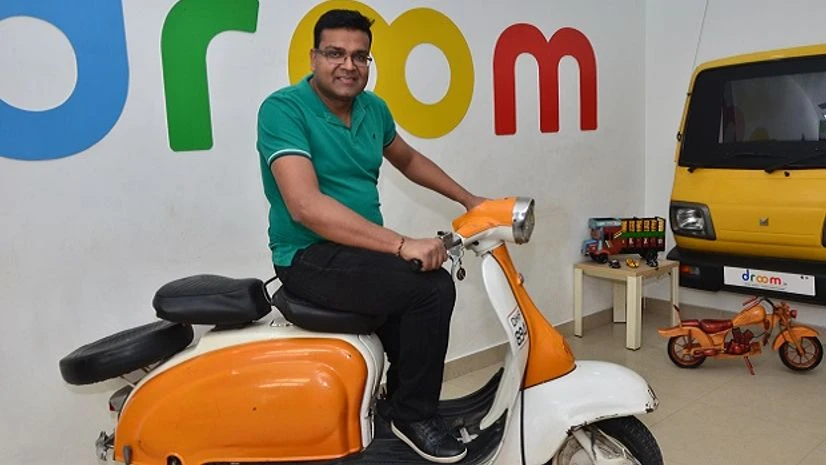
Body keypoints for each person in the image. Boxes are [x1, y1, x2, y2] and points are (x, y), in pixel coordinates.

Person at [256, 8, 485, 464]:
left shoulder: (373, 109)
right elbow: (306, 207)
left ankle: (397, 404)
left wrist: (471, 201)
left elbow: (410, 160)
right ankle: (412, 416)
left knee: (415, 285)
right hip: (307, 256)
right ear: (314, 57)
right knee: (431, 288)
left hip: (359, 253)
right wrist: (401, 245)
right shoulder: (283, 109)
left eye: (360, 56)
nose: (348, 65)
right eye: (335, 53)